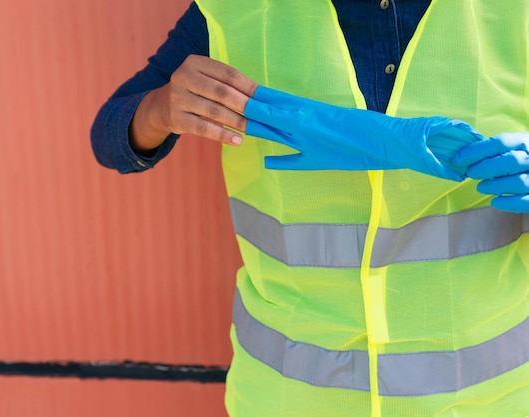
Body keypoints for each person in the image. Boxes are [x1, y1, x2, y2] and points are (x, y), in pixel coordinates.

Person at [91, 1, 529, 416]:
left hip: (488, 399)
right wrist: (162, 109)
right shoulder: (236, 10)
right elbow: (110, 134)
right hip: (292, 399)